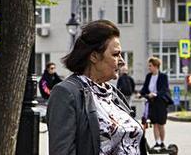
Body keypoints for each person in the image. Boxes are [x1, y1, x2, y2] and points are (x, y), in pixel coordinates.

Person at [47, 20, 145, 154]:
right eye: (115, 55)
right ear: (94, 56)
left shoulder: (113, 93)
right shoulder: (66, 93)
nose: (122, 61)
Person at [140, 57, 172, 150]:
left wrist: (155, 94)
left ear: (155, 66)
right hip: (152, 102)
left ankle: (162, 143)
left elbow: (164, 89)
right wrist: (140, 93)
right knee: (154, 123)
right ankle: (157, 142)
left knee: (161, 123)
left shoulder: (163, 77)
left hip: (161, 102)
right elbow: (145, 87)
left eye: (150, 66)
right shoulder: (148, 76)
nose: (149, 68)